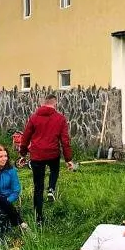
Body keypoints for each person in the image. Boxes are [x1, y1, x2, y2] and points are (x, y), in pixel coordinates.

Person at [19, 94, 74, 225]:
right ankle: (51, 189)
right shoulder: (60, 119)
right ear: (55, 103)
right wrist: (68, 159)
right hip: (53, 154)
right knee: (54, 170)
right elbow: (65, 140)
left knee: (38, 187)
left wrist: (22, 154)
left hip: (37, 155)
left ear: (43, 103)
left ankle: (38, 218)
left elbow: (25, 137)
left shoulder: (34, 118)